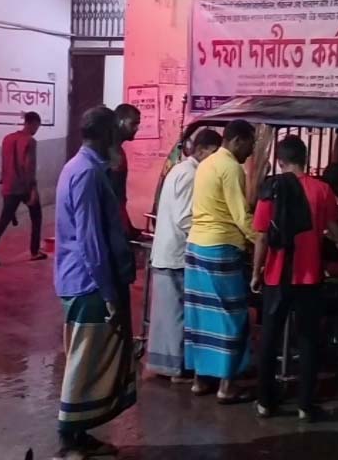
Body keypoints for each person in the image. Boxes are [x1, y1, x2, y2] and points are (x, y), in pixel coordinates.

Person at [54, 106, 137, 458]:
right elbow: (91, 240)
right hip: (88, 283)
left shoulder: (82, 167)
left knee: (91, 359)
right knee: (84, 360)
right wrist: (109, 294)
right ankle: (67, 437)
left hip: (84, 280)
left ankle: (79, 432)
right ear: (107, 135)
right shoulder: (86, 173)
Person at [252, 135, 338, 422]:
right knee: (307, 340)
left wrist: (256, 272)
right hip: (309, 277)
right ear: (305, 159)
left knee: (269, 339)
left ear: (280, 161)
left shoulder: (272, 188)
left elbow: (261, 236)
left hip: (276, 275)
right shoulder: (322, 189)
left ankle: (265, 402)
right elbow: (337, 234)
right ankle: (305, 405)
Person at [184, 119, 257, 404]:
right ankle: (227, 386)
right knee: (232, 316)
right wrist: (261, 238)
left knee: (202, 315)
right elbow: (240, 215)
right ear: (237, 140)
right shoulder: (231, 167)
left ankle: (200, 380)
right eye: (250, 144)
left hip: (196, 246)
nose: (251, 151)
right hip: (221, 248)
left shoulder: (206, 164)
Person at [147, 129, 223, 381]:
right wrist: (208, 235)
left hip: (169, 251)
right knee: (176, 314)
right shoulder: (191, 175)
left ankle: (167, 365)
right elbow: (185, 218)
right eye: (213, 153)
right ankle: (177, 368)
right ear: (200, 150)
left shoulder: (180, 171)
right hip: (176, 253)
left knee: (168, 314)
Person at [0, 111, 46, 266]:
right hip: (23, 186)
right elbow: (28, 166)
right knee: (36, 217)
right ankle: (34, 251)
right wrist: (33, 189)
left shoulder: (7, 139)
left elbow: (4, 163)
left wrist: (3, 184)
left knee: (5, 217)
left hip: (9, 184)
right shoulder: (30, 141)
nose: (36, 130)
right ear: (33, 123)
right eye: (37, 126)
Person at [109, 103, 141, 239]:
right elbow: (115, 197)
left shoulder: (116, 150)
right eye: (133, 123)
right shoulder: (113, 152)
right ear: (121, 122)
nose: (137, 128)